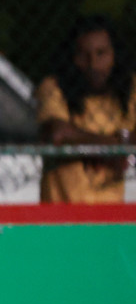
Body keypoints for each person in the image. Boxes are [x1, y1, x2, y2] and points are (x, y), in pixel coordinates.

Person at [36, 15, 136, 203]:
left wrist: (85, 141)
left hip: (110, 212)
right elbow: (60, 135)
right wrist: (120, 143)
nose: (93, 64)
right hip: (62, 214)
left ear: (115, 54)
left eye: (101, 53)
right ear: (72, 57)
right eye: (83, 55)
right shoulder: (54, 88)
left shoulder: (129, 91)